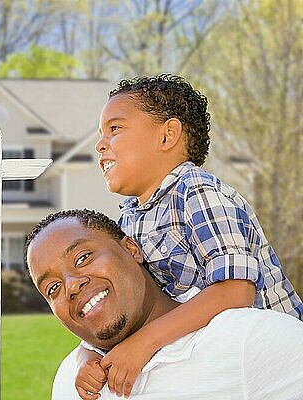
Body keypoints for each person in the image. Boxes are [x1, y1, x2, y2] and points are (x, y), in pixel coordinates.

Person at [66, 74, 303, 398]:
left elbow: (235, 292)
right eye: (101, 133)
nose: (100, 143)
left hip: (266, 367)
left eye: (115, 129)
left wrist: (144, 342)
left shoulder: (197, 192)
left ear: (168, 136)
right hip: (207, 361)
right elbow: (129, 302)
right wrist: (87, 356)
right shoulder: (129, 219)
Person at [25, 209, 303, 400]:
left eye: (83, 257)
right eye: (53, 288)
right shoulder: (70, 380)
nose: (71, 286)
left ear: (131, 249)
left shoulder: (250, 341)